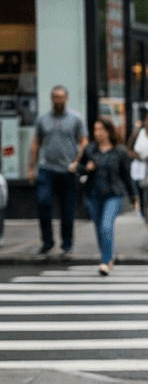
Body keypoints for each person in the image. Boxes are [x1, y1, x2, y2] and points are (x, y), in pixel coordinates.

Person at [28, 85, 86, 257]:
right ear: (51, 99)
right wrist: (31, 167)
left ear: (66, 98)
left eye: (61, 97)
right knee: (43, 203)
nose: (58, 100)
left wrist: (78, 160)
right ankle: (47, 242)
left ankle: (66, 245)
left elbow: (83, 141)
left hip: (68, 170)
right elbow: (36, 143)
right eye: (55, 97)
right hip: (46, 169)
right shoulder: (42, 119)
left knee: (67, 210)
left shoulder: (76, 118)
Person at [77, 117, 138, 275]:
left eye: (101, 129)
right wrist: (86, 168)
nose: (97, 133)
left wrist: (133, 196)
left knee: (106, 226)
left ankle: (105, 261)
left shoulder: (120, 151)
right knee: (99, 229)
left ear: (108, 131)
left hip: (114, 194)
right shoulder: (90, 149)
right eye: (95, 129)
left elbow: (126, 176)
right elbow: (79, 168)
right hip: (93, 194)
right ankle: (107, 256)